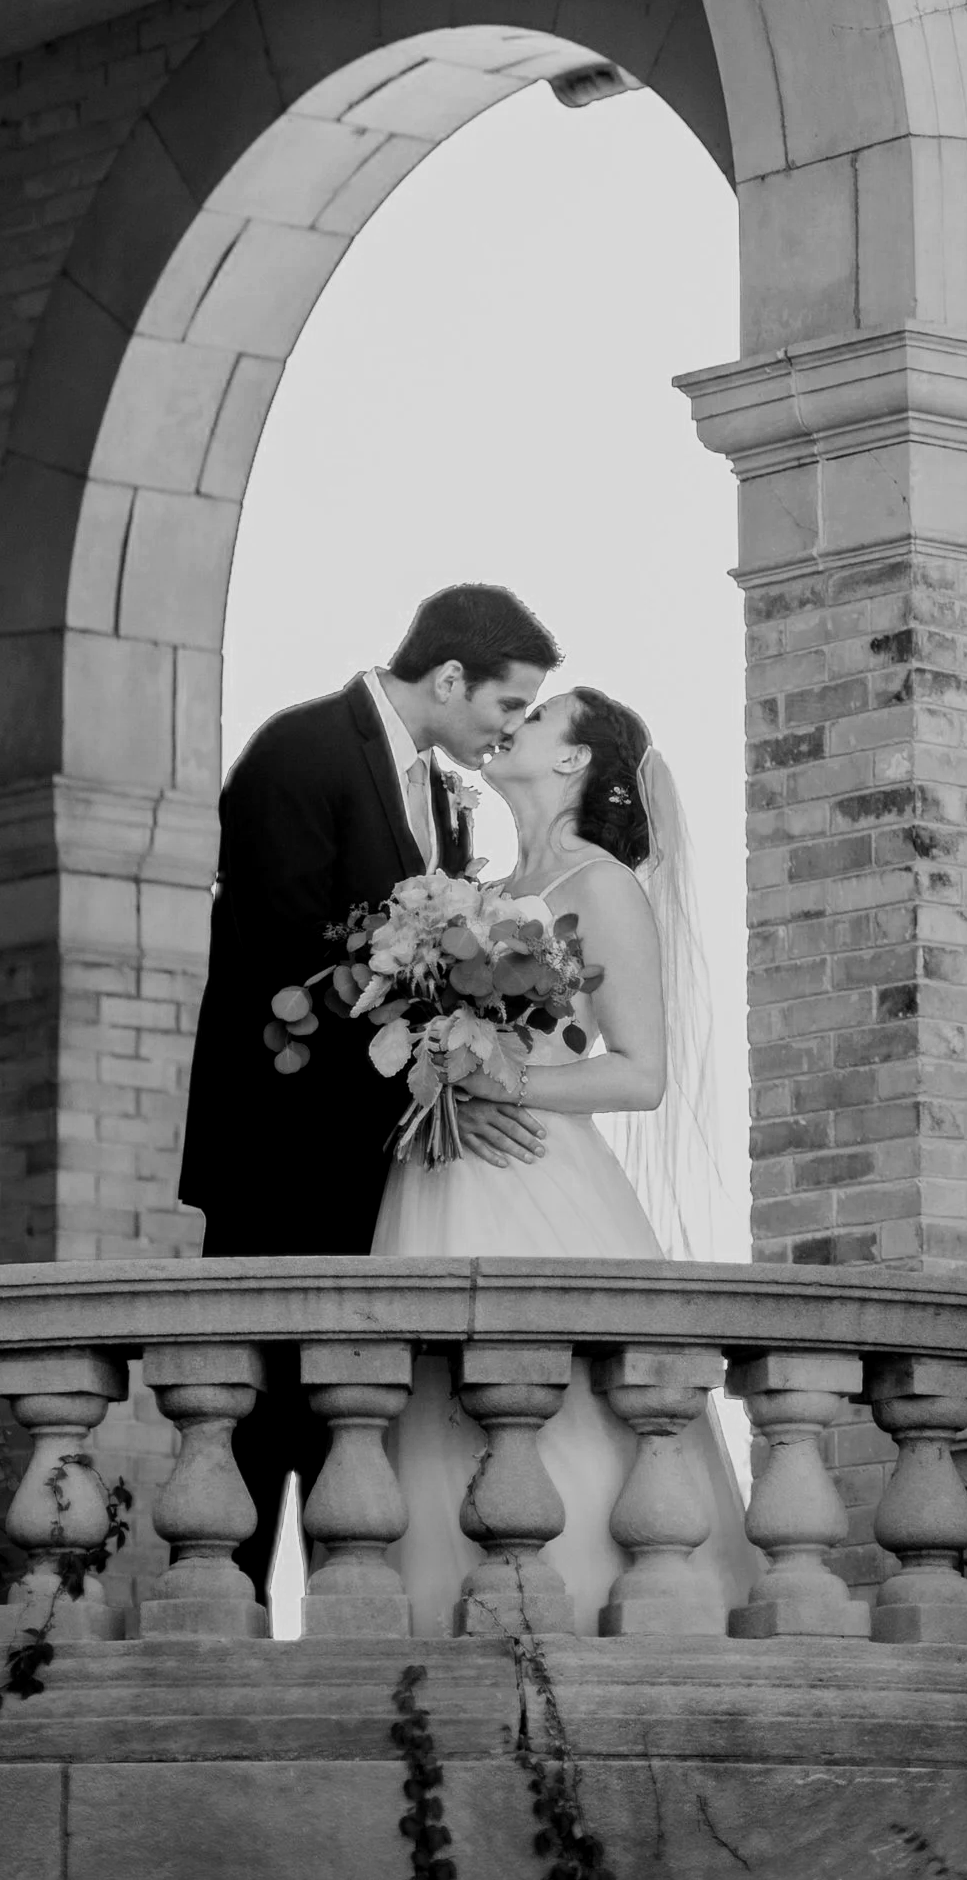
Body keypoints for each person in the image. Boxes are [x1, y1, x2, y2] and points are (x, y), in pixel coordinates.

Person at [178, 580, 561, 1593]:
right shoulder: (297, 751)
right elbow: (280, 951)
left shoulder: (438, 794)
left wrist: (454, 1044)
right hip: (283, 1141)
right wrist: (423, 1053)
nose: (508, 728)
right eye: (507, 705)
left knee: (342, 1402)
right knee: (259, 1402)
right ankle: (230, 1618)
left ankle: (330, 1617)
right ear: (448, 676)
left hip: (375, 1152)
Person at [373, 681, 753, 1634]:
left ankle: (578, 1619)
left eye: (538, 717)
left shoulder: (600, 886)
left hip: (535, 1171)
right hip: (438, 1171)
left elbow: (641, 1074)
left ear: (576, 759)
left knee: (565, 1410)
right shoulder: (475, 890)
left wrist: (500, 1087)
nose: (514, 722)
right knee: (430, 1405)